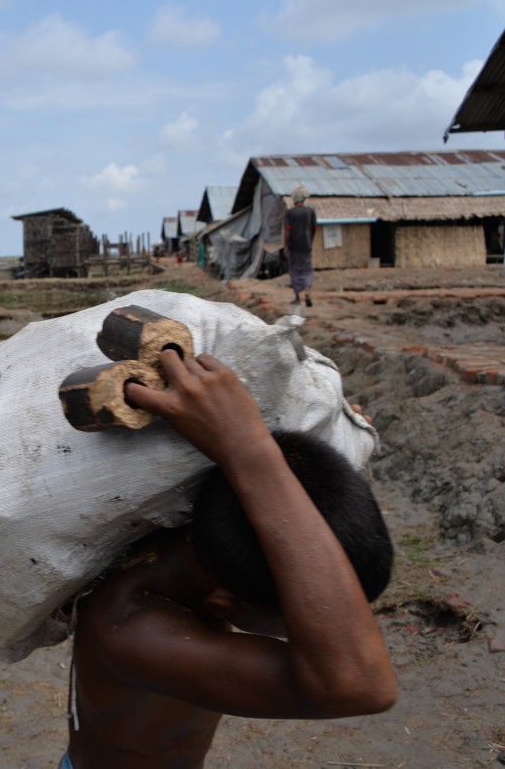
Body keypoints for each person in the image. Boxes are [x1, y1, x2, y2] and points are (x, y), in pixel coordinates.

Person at [63, 349, 397, 769]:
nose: (319, 623)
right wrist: (248, 450)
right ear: (226, 603)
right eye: (296, 617)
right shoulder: (130, 633)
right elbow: (362, 686)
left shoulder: (188, 542)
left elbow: (286, 508)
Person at [283, 185, 317, 306]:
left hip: (294, 246)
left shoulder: (289, 213)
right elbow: (314, 229)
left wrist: (286, 246)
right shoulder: (310, 212)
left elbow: (287, 230)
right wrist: (310, 241)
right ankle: (307, 290)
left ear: (294, 199)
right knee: (307, 269)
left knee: (294, 269)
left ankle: (297, 297)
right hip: (306, 245)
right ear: (304, 199)